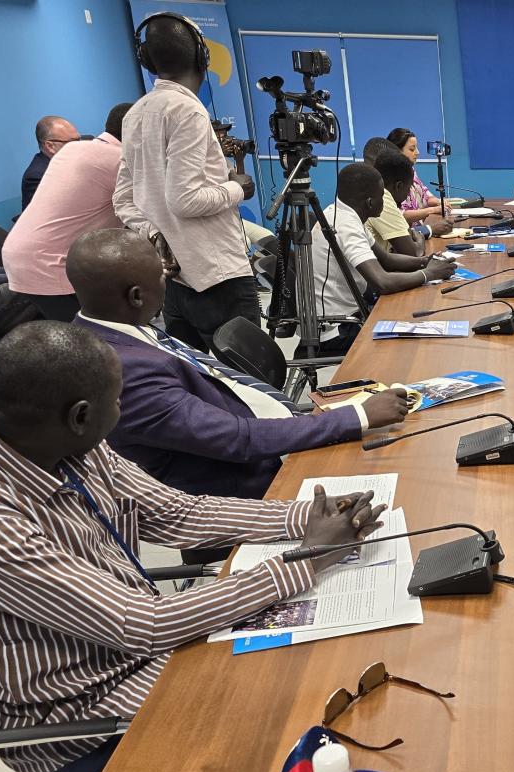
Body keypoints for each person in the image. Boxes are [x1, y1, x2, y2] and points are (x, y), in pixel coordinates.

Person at [0, 320, 384, 772]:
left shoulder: (55, 437)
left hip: (147, 653)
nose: (121, 411)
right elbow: (144, 623)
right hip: (86, 716)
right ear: (80, 416)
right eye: (116, 403)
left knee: (337, 661)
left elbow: (179, 514)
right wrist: (309, 556)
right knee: (314, 698)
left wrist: (309, 516)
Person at [67, 229, 412, 498]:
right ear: (136, 296)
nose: (168, 278)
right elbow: (236, 439)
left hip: (274, 432)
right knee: (407, 476)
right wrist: (356, 417)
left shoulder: (118, 325)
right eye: (161, 275)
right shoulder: (121, 370)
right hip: (254, 478)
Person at [113, 14, 259, 351]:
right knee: (247, 377)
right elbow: (185, 200)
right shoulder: (188, 112)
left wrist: (155, 234)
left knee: (196, 376)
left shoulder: (135, 114)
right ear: (202, 55)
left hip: (174, 281)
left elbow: (122, 199)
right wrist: (238, 188)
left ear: (146, 59)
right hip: (217, 276)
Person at [305, 162, 454, 355]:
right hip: (337, 330)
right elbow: (382, 282)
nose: (385, 201)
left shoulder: (344, 213)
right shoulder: (345, 225)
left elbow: (385, 259)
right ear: (370, 202)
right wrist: (428, 274)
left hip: (349, 314)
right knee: (417, 345)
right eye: (382, 197)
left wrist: (425, 261)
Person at [3, 103, 132, 322]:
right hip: (49, 263)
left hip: (26, 255)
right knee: (96, 332)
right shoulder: (117, 159)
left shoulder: (74, 151)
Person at [387, 127, 445, 224]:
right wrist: (432, 210)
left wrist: (440, 202)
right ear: (396, 151)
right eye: (412, 149)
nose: (417, 152)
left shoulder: (411, 170)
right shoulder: (390, 178)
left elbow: (425, 196)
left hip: (421, 227)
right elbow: (400, 214)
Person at [20, 115, 79, 209]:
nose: (80, 146)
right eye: (73, 142)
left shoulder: (70, 162)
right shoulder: (37, 176)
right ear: (50, 146)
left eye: (79, 140)